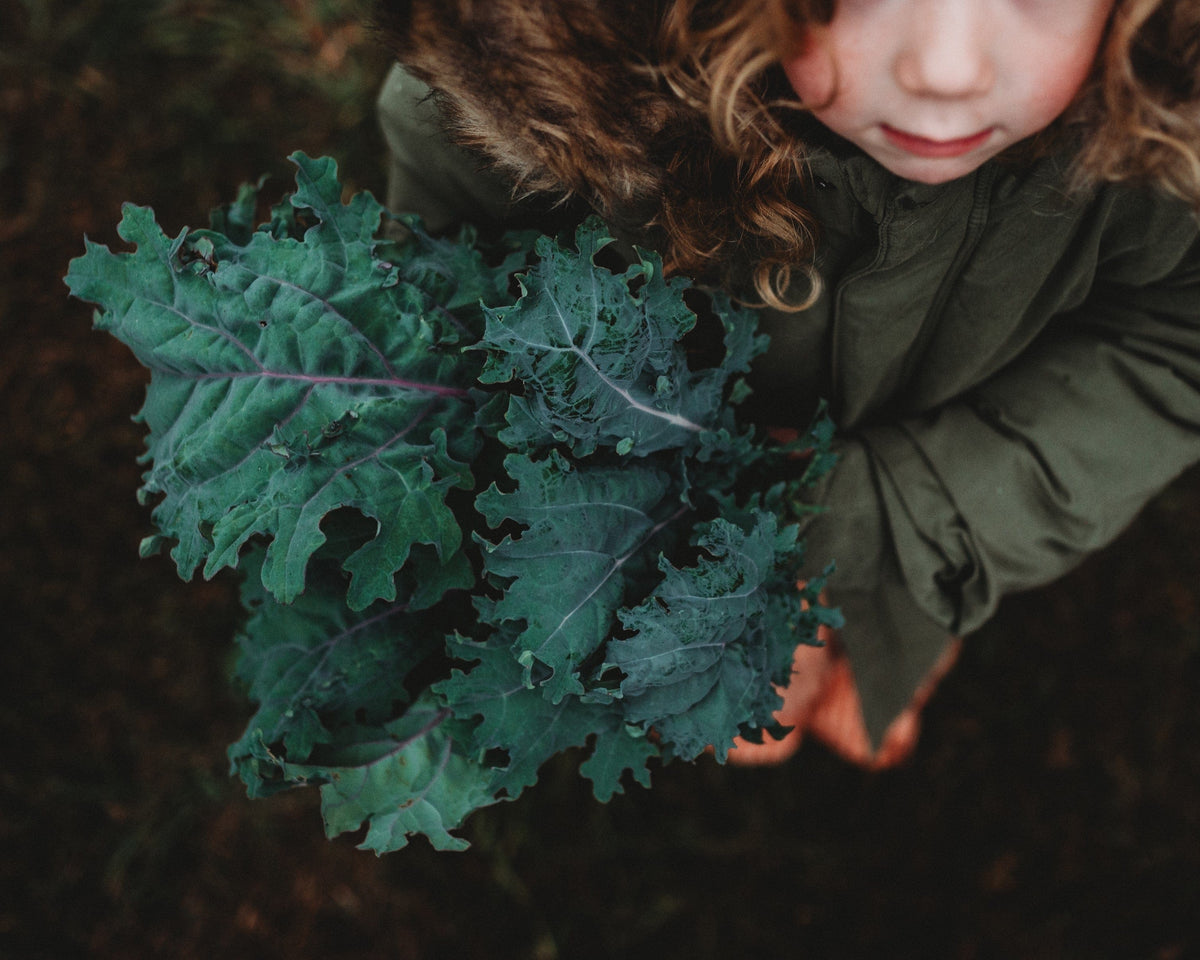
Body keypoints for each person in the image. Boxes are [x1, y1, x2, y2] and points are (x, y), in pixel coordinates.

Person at [370, 0, 1200, 767]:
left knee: (911, 596)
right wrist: (641, 556)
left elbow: (1173, 345)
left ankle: (888, 645)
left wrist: (883, 517)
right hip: (664, 517)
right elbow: (458, 330)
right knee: (750, 701)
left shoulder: (1160, 152)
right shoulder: (559, 96)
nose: (947, 71)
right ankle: (804, 673)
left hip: (944, 482)